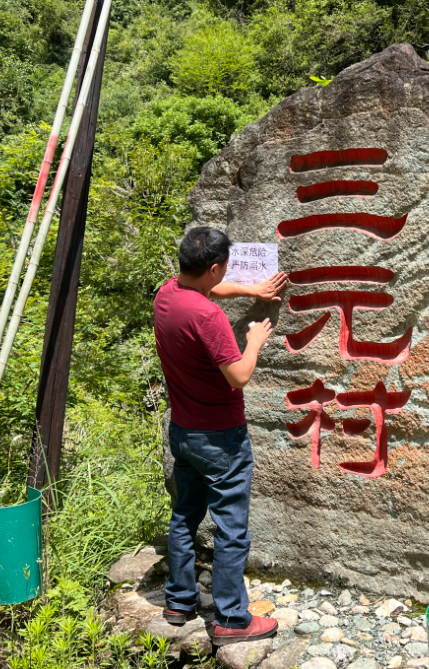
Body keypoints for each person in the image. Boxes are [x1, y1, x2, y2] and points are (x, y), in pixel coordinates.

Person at [153, 226, 287, 646]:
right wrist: (254, 340)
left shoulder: (167, 294)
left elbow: (210, 289)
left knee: (184, 517)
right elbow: (239, 375)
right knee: (231, 528)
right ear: (213, 268)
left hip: (184, 433)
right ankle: (232, 617)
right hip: (220, 439)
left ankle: (179, 601)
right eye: (224, 269)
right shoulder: (207, 317)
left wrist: (251, 290)